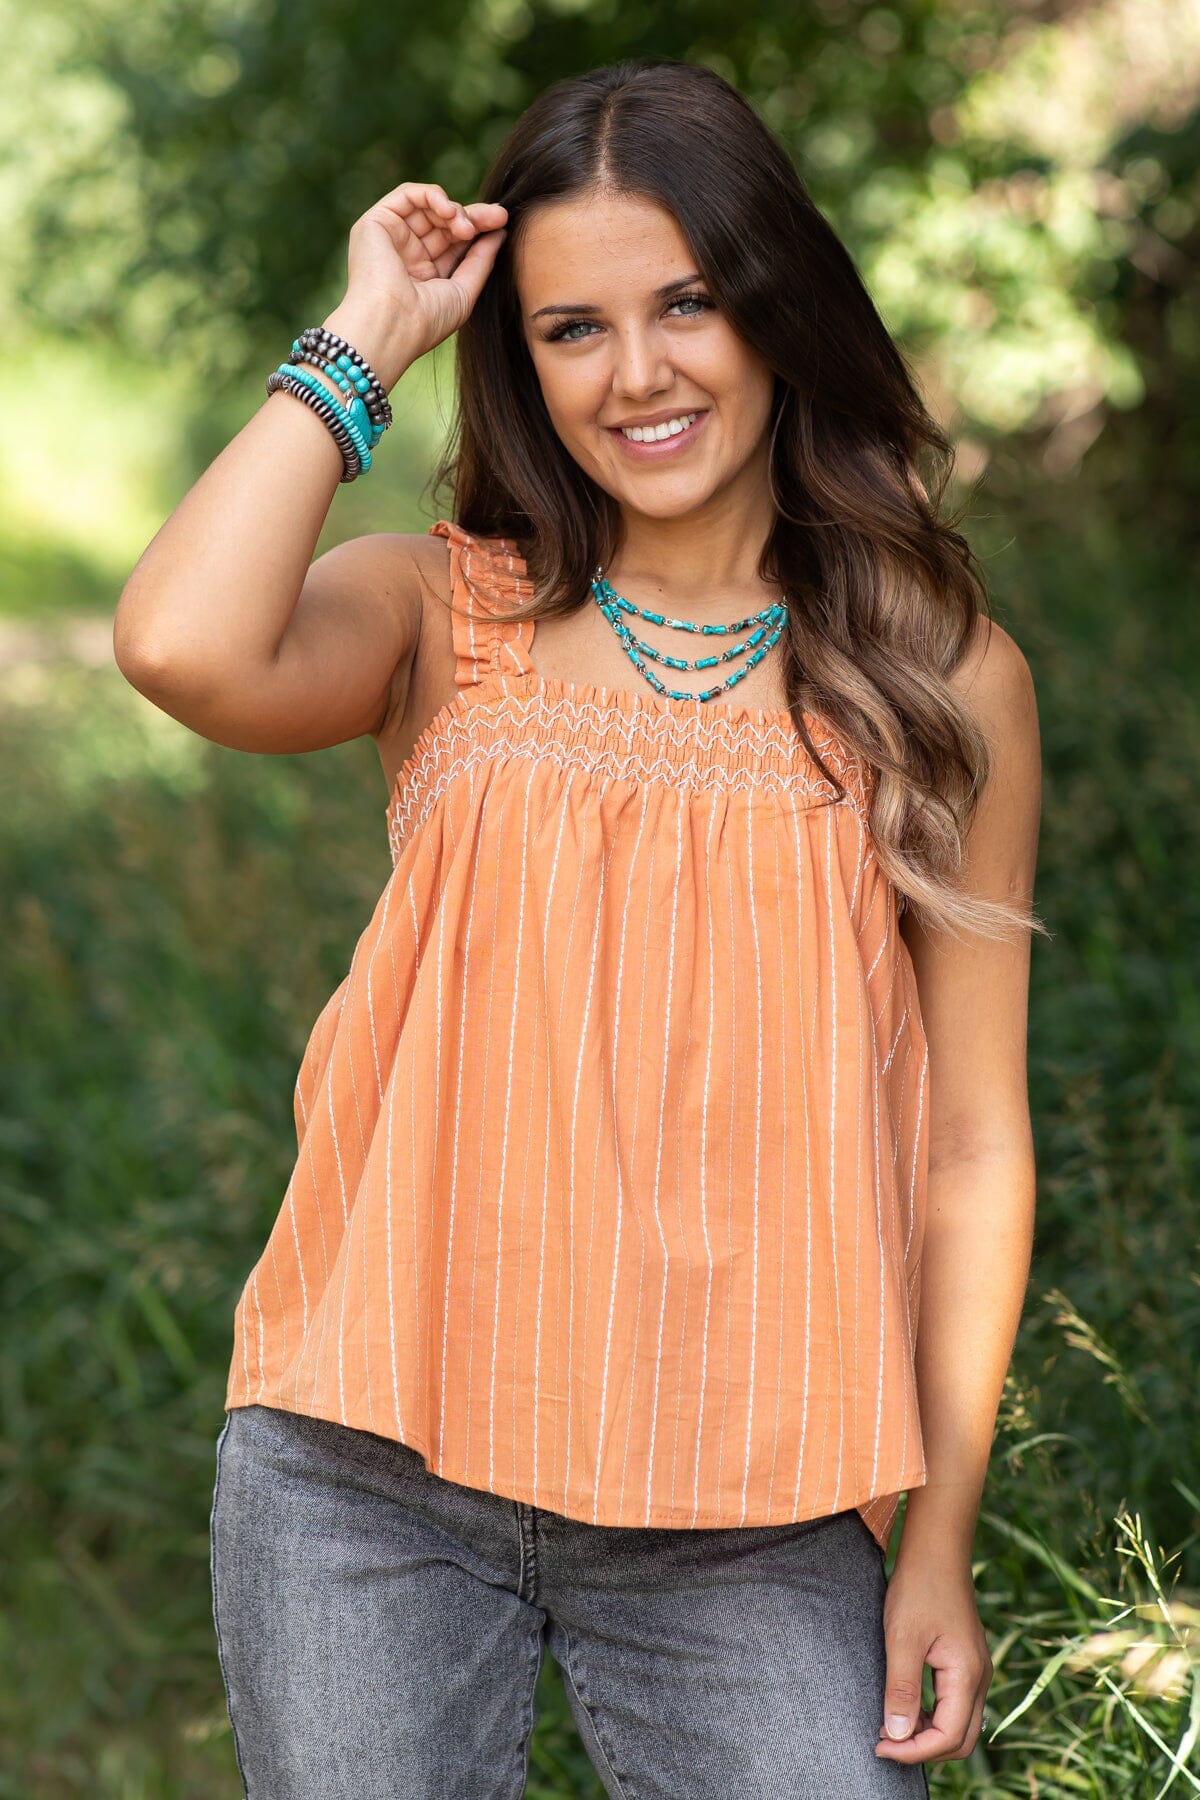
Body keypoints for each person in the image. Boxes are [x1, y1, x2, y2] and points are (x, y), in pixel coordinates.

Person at [114, 55, 1043, 1800]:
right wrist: (368, 329)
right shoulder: (441, 612)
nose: (640, 377)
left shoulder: (939, 678)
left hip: (756, 1518)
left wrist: (937, 1541)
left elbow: (978, 1145)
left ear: (775, 304)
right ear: (520, 359)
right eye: (571, 329)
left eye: (687, 302)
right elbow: (178, 644)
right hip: (367, 1468)